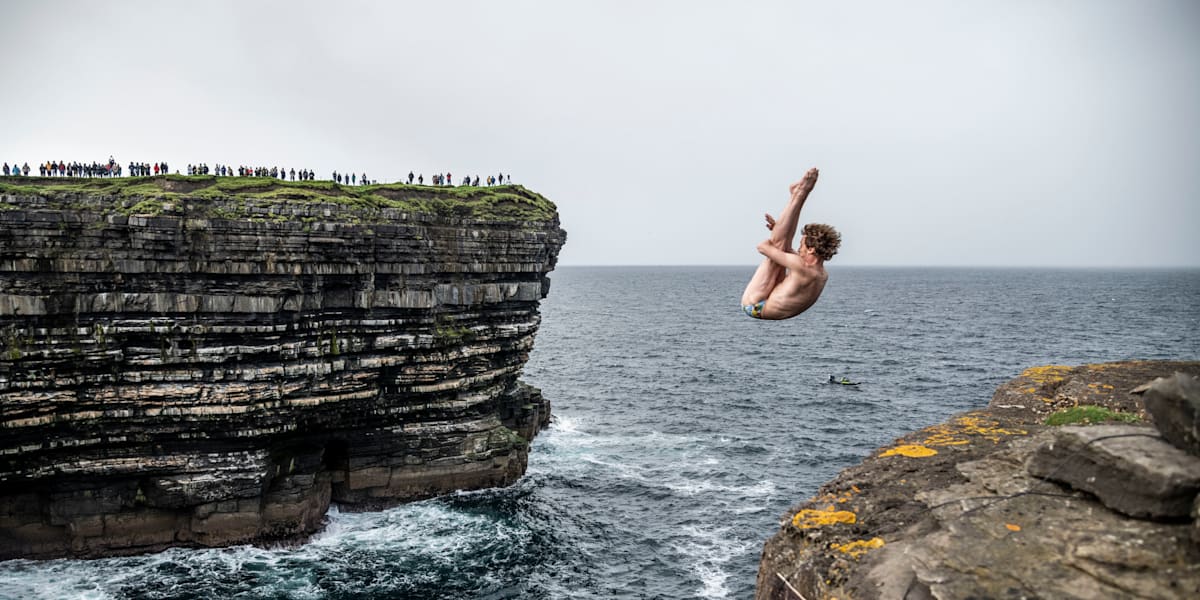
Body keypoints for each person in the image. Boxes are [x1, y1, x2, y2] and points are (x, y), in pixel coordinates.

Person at [740, 168, 841, 320]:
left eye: (802, 245)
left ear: (812, 249)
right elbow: (790, 253)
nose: (799, 249)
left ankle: (800, 194)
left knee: (777, 245)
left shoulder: (800, 265)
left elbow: (763, 247)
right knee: (781, 246)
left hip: (755, 305)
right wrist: (778, 229)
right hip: (771, 301)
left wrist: (776, 234)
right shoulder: (821, 274)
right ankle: (797, 194)